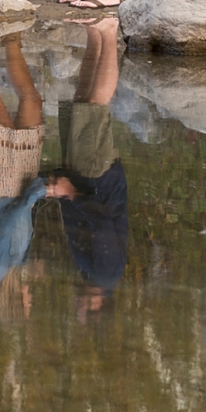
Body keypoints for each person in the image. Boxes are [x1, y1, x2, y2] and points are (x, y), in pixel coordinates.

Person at [45, 18, 128, 320]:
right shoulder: (105, 276)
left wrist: (61, 191)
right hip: (96, 179)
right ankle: (108, 33)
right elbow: (103, 225)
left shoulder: (92, 274)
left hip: (85, 178)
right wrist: (72, 194)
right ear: (97, 305)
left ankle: (97, 33)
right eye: (81, 311)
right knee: (95, 105)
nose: (75, 306)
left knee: (82, 101)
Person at [0, 28, 46, 322]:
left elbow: (5, 224)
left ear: (14, 301)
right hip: (24, 183)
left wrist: (35, 194)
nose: (30, 298)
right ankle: (12, 39)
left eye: (27, 303)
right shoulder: (16, 268)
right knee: (32, 102)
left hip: (3, 188)